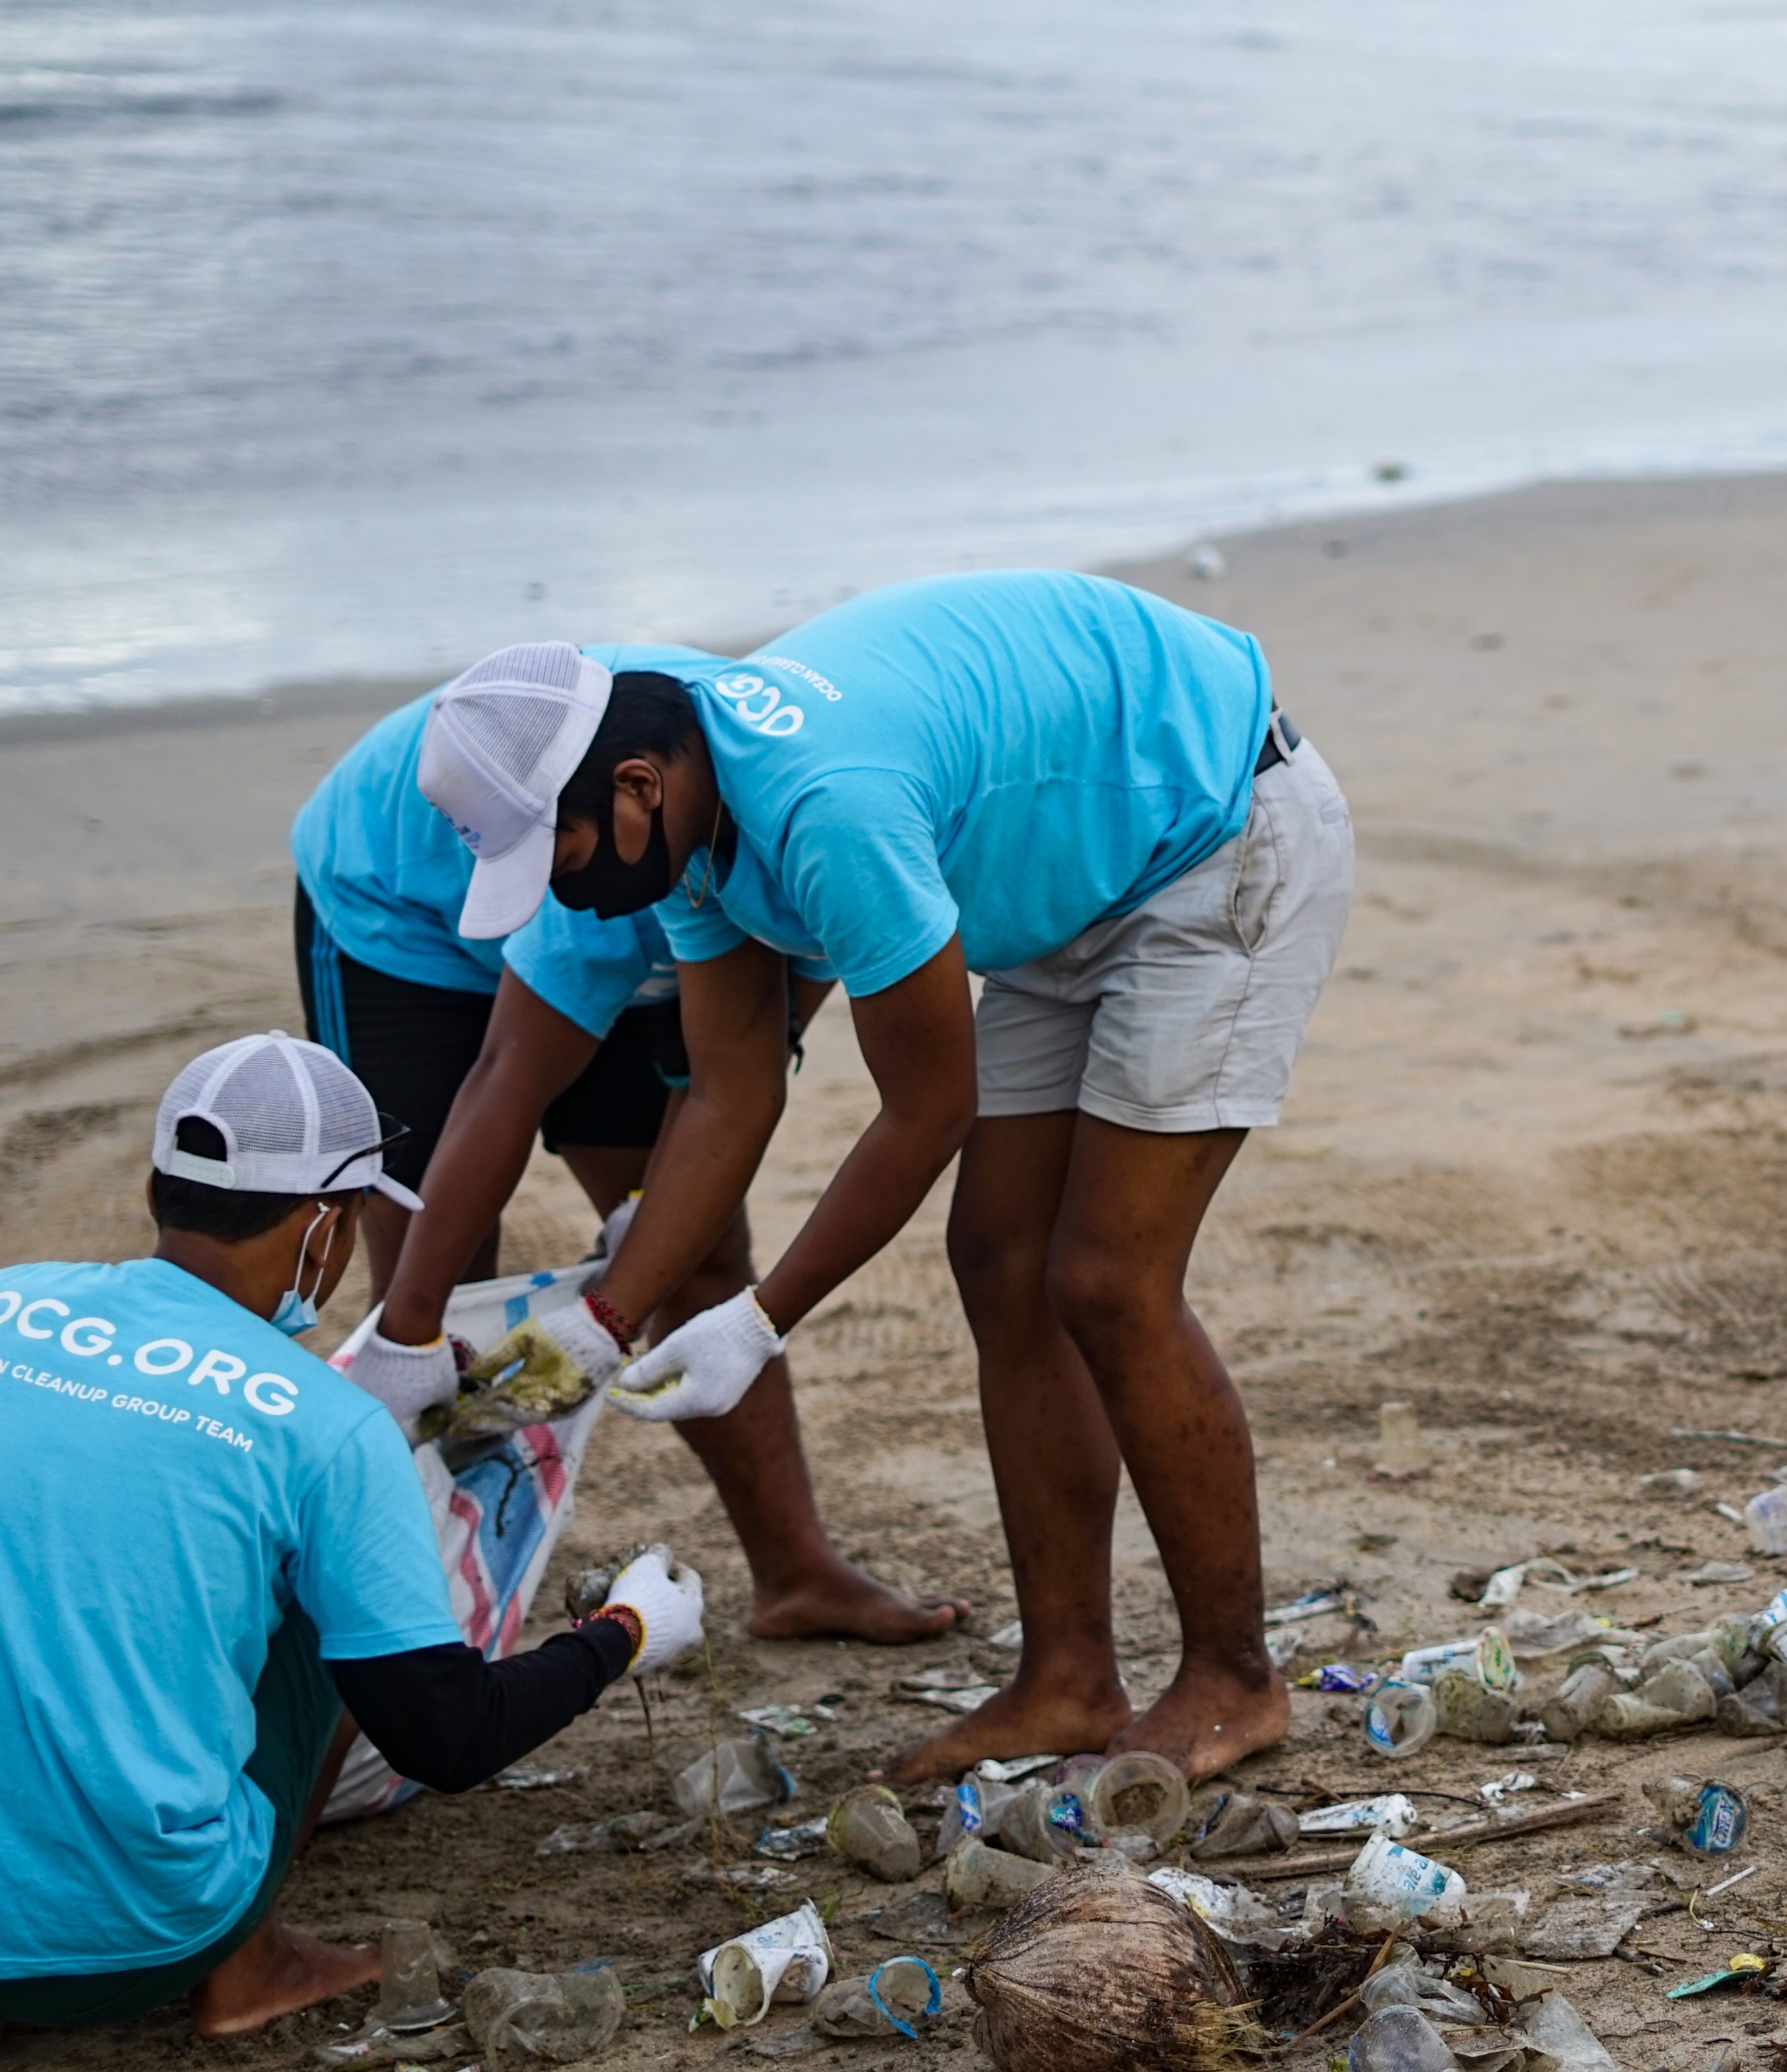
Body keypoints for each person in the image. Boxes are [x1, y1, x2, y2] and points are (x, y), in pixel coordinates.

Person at [422, 572, 1352, 1782]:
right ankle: (1069, 1680)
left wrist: (760, 1319)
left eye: (562, 851)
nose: (559, 888)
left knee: (1109, 1277)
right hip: (1068, 883)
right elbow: (731, 1085)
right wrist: (603, 1321)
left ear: (638, 784)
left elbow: (929, 1109)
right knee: (1000, 1263)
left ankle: (1235, 1676)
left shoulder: (824, 807)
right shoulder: (694, 819)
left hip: (1212, 827)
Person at [0, 1034, 700, 2062]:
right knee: (328, 1606)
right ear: (324, 1227)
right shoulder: (324, 1424)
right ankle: (248, 1968)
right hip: (141, 1939)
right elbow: (447, 1736)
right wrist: (622, 1632)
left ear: (161, 1184)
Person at [293, 643, 953, 1645]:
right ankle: (423, 1616)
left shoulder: (755, 821)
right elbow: (506, 1079)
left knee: (697, 1245)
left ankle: (796, 1572)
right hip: (399, 909)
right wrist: (405, 1331)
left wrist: (646, 1255)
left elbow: (756, 1039)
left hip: (615, 865)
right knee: (441, 1269)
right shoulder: (588, 891)